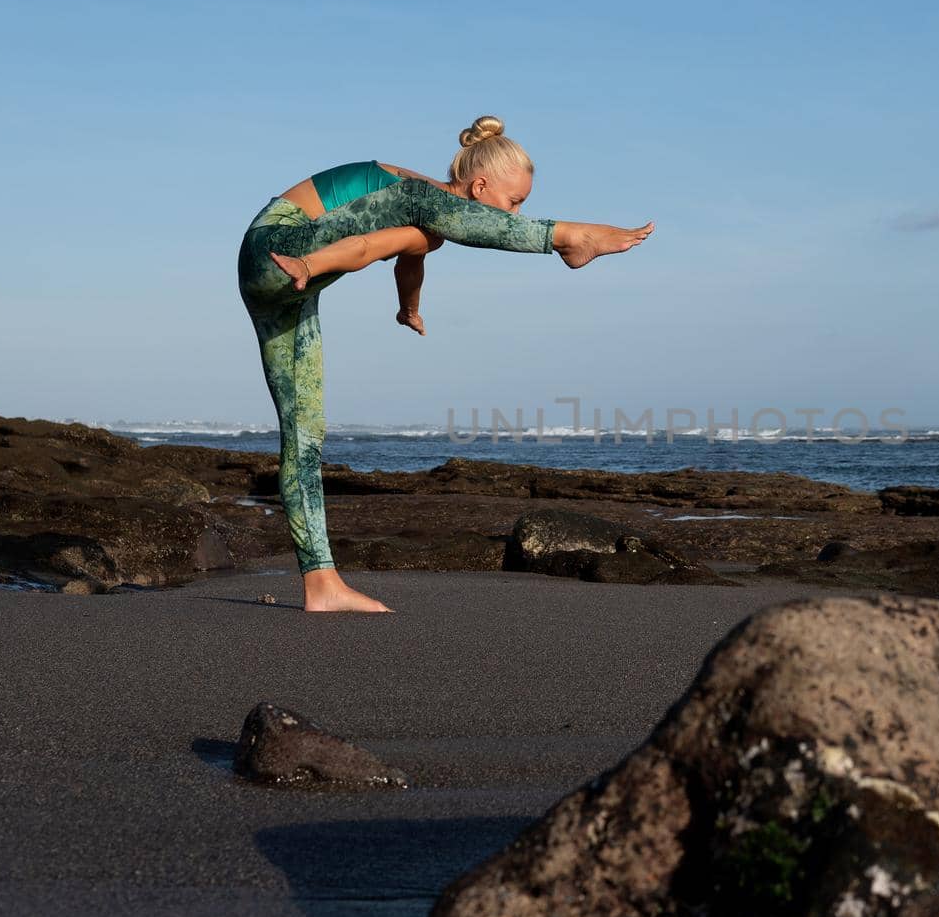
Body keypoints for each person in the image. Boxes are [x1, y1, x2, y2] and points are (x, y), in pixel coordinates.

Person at [237, 116, 654, 613]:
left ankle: (320, 581)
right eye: (514, 203)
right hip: (276, 247)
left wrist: (408, 308)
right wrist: (309, 264)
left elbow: (407, 258)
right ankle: (567, 236)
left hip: (287, 285)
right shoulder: (414, 194)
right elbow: (372, 245)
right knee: (423, 204)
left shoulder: (421, 220)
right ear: (479, 186)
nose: (512, 215)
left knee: (306, 433)